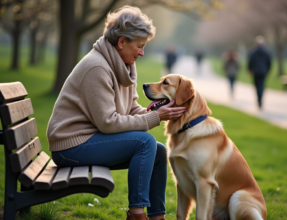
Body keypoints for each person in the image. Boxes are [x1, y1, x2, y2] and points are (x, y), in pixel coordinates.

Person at [46, 6, 186, 220]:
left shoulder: (123, 65)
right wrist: (156, 117)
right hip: (71, 146)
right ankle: (137, 214)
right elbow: (108, 123)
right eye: (139, 46)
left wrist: (156, 110)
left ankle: (157, 216)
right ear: (121, 42)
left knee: (157, 151)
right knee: (144, 142)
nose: (142, 52)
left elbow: (130, 109)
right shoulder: (97, 68)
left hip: (91, 140)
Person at [248, 36, 272, 109]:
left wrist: (250, 69)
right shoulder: (266, 52)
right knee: (261, 86)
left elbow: (250, 62)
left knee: (256, 86)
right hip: (263, 71)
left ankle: (259, 100)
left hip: (255, 71)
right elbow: (269, 62)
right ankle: (260, 100)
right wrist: (268, 70)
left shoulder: (253, 52)